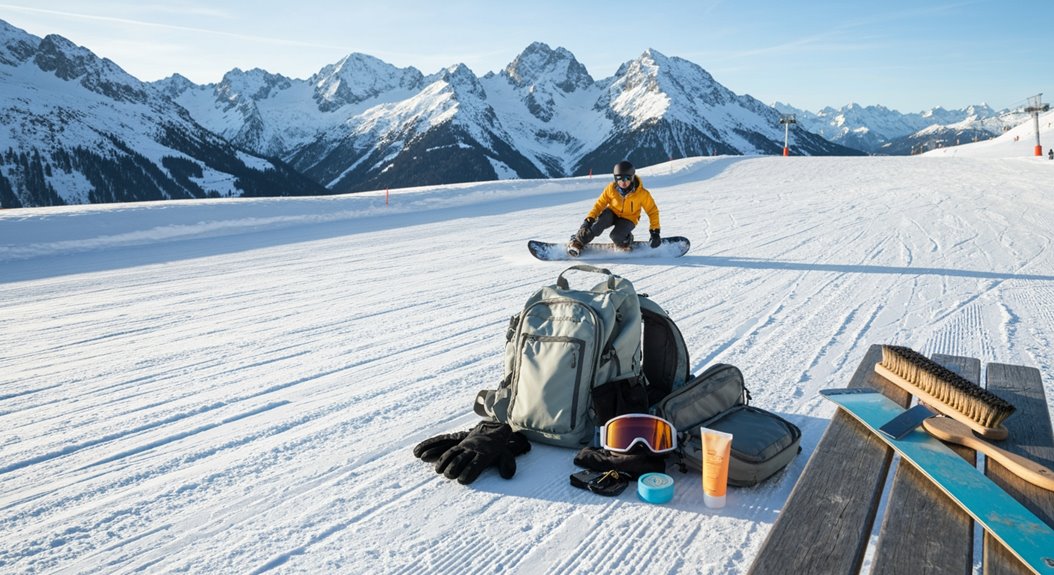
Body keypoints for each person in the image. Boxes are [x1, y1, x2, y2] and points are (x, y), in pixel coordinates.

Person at [568, 161, 661, 256]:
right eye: (619, 179)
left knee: (616, 236)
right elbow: (599, 205)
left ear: (632, 177)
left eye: (627, 178)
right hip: (612, 213)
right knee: (597, 226)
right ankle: (577, 242)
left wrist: (655, 232)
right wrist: (589, 219)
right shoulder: (611, 189)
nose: (623, 182)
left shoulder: (642, 194)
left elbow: (652, 211)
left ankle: (626, 239)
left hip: (629, 218)